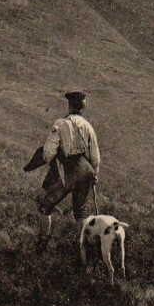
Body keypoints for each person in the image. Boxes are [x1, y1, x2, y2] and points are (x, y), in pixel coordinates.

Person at [31, 91, 100, 252]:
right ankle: (82, 250)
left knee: (45, 206)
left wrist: (52, 160)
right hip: (87, 170)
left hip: (68, 169)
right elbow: (95, 157)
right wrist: (94, 175)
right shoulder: (88, 127)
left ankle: (42, 243)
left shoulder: (61, 124)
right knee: (81, 213)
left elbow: (48, 153)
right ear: (83, 108)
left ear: (69, 106)